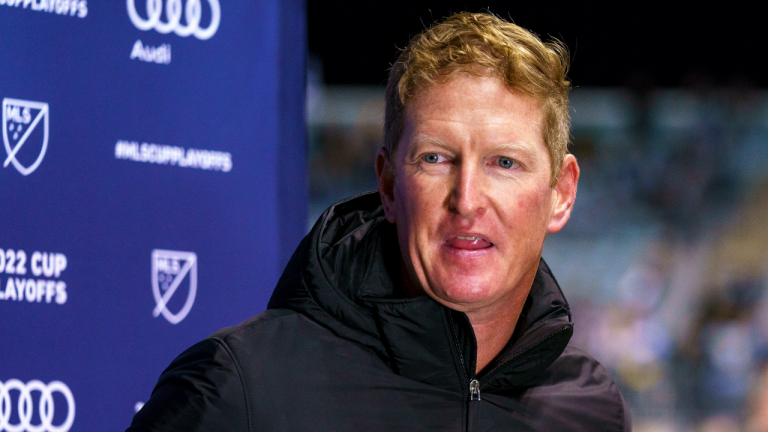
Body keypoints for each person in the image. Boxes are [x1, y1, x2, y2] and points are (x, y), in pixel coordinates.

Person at [127, 12, 630, 431]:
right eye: (436, 159)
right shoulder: (240, 388)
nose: (468, 199)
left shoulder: (591, 409)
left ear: (561, 194)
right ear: (388, 186)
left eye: (505, 163)